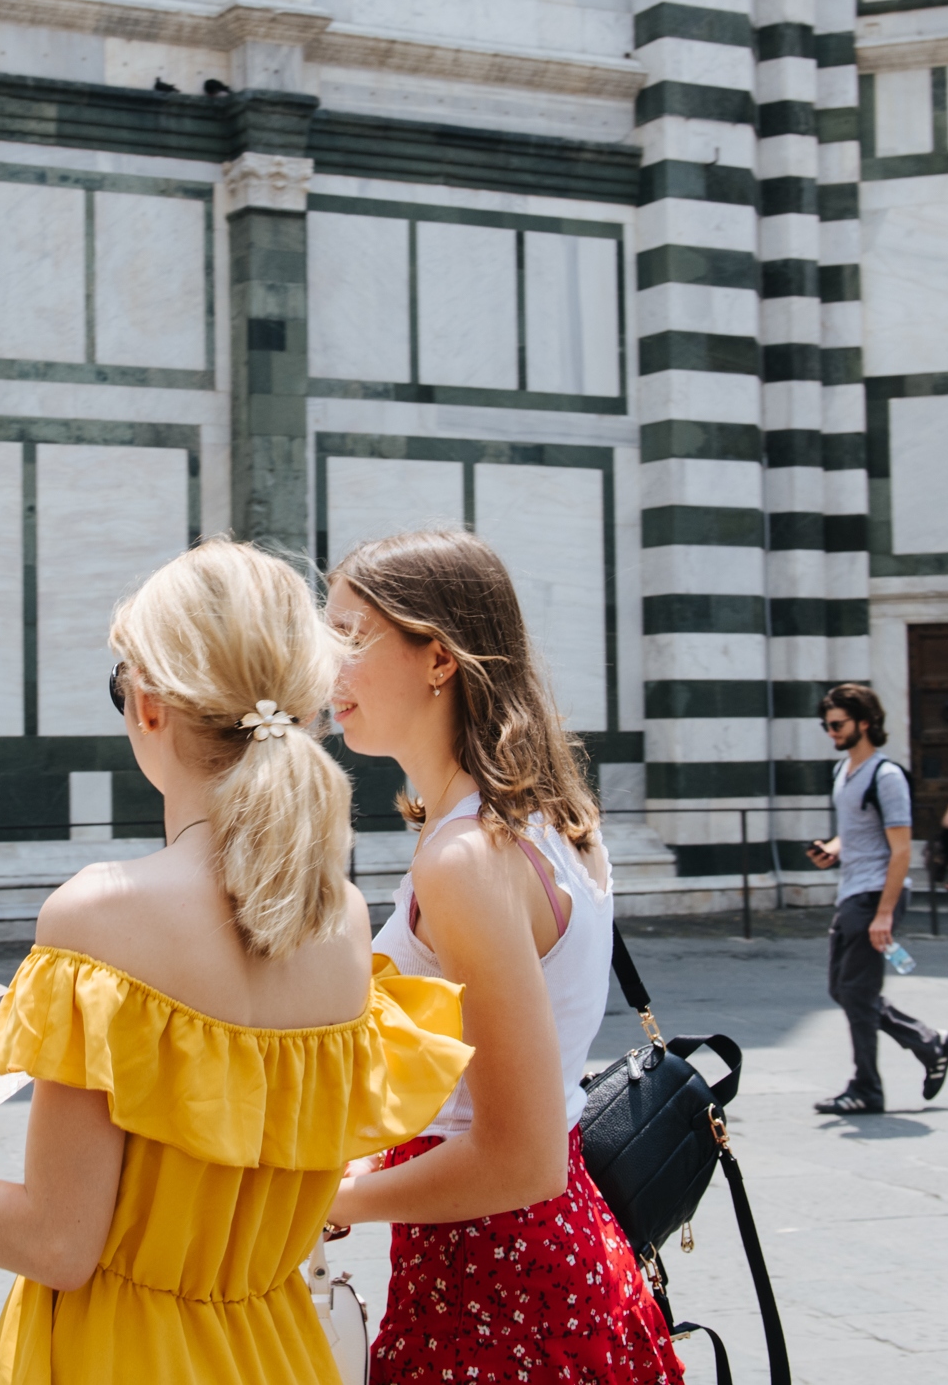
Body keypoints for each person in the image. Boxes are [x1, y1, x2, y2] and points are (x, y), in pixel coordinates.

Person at [0, 541, 473, 1383]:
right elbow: (232, 1100)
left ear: (149, 703)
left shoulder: (99, 913)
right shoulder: (340, 919)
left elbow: (56, 1244)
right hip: (276, 1351)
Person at [319, 530, 684, 1385]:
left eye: (350, 638)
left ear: (438, 657)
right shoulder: (546, 818)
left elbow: (518, 1156)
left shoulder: (464, 858)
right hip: (545, 1258)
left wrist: (326, 1203)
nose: (326, 671)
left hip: (494, 1285)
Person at [806, 683, 948, 1115]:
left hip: (874, 895)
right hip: (852, 889)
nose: (831, 732)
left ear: (865, 722)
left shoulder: (886, 776)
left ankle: (867, 1088)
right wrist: (833, 849)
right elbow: (856, 832)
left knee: (855, 990)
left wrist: (885, 914)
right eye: (826, 725)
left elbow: (902, 849)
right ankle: (930, 1043)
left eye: (837, 724)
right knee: (844, 988)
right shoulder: (844, 772)